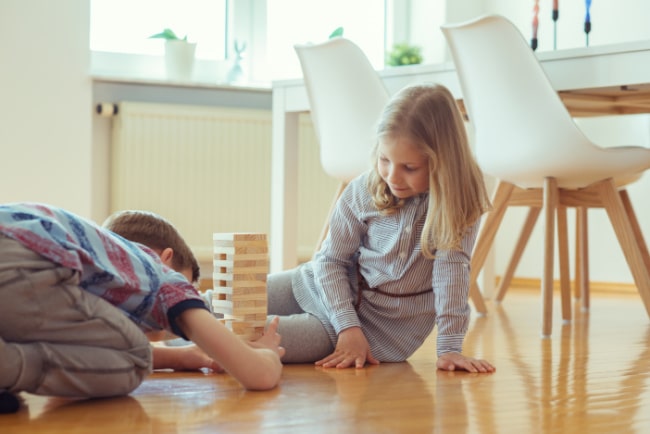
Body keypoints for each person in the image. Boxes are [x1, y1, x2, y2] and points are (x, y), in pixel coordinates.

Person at [264, 84, 495, 373]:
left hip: (369, 331)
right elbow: (330, 261)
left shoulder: (457, 204)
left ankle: (192, 349)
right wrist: (347, 323)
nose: (392, 177)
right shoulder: (363, 189)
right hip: (321, 287)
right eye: (385, 160)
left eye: (409, 167)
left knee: (246, 334)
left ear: (443, 164)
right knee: (228, 299)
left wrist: (450, 348)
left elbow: (451, 277)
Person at [0, 204, 284, 414]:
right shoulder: (162, 276)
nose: (169, 326)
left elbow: (88, 345)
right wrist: (267, 354)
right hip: (22, 265)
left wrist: (183, 357)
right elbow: (258, 376)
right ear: (167, 259)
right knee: (136, 357)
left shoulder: (96, 257)